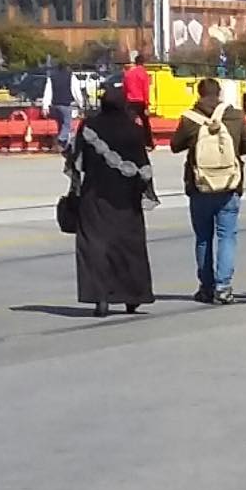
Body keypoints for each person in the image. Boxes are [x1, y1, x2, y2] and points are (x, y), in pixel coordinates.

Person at [65, 86, 157, 317]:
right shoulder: (133, 130)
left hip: (95, 197)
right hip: (126, 201)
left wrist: (75, 192)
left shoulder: (90, 126)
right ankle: (132, 297)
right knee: (129, 246)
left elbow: (77, 163)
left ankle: (101, 298)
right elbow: (144, 168)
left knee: (95, 246)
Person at [170, 78, 246, 304]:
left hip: (200, 185)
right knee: (227, 236)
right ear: (219, 93)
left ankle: (206, 286)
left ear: (199, 94)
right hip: (229, 185)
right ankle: (224, 286)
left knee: (203, 238)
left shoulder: (190, 119)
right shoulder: (235, 116)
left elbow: (174, 145)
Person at [42, 61, 84, 151]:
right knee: (67, 124)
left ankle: (61, 145)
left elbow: (48, 92)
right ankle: (61, 140)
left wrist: (45, 106)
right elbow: (76, 91)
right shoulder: (71, 76)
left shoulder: (52, 77)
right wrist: (81, 104)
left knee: (60, 125)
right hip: (66, 104)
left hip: (54, 105)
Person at [123, 53, 155, 151]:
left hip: (130, 100)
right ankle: (148, 143)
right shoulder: (143, 73)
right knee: (145, 123)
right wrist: (147, 104)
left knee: (129, 122)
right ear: (143, 63)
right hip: (140, 101)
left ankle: (129, 142)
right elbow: (145, 89)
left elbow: (125, 88)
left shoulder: (128, 73)